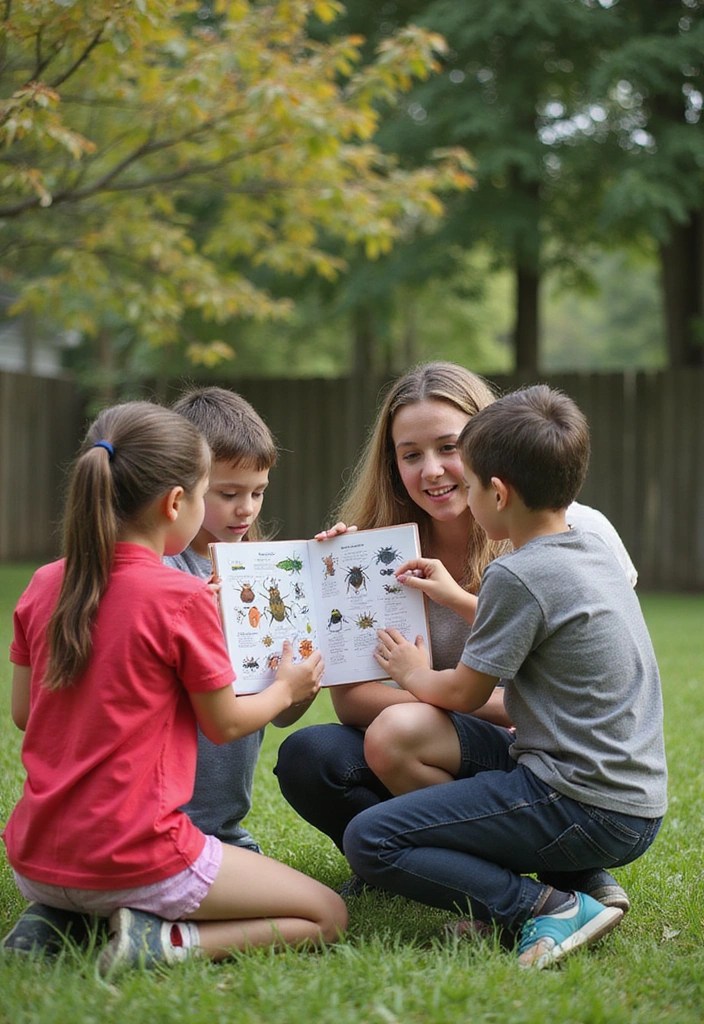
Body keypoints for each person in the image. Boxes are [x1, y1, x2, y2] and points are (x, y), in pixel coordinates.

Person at [274, 361, 636, 910]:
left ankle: (567, 870)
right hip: (438, 739)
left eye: (450, 446)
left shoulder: (571, 531)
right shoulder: (374, 553)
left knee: (406, 726)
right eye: (410, 454)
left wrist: (437, 690)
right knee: (310, 755)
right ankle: (457, 870)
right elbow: (354, 704)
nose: (434, 470)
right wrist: (334, 583)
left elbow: (607, 675)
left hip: (550, 756)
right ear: (391, 464)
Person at [1, 401, 346, 974]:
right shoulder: (180, 597)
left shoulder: (43, 583)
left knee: (89, 880)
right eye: (216, 489)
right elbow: (225, 723)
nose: (243, 507)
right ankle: (160, 942)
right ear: (176, 502)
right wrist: (286, 688)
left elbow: (22, 713)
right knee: (326, 914)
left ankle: (55, 916)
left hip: (36, 858)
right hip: (136, 856)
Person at [344, 384, 667, 969]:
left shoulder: (516, 575)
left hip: (575, 797)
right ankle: (562, 890)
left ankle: (542, 905)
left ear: (496, 492)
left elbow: (463, 693)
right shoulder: (588, 550)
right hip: (633, 803)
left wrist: (413, 671)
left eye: (467, 485)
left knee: (371, 838)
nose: (460, 495)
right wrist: (454, 596)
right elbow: (547, 625)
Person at [164, 385, 304, 854]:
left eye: (258, 492)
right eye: (227, 493)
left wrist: (305, 673)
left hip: (222, 828)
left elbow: (284, 713)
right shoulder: (163, 570)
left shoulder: (265, 571)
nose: (246, 508)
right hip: (161, 815)